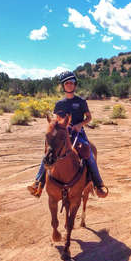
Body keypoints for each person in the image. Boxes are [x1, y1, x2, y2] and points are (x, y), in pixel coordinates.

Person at [27, 70, 108, 198]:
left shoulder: (81, 101)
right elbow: (55, 120)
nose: (69, 85)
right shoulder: (59, 103)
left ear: (75, 85)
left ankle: (98, 184)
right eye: (67, 83)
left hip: (78, 133)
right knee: (49, 153)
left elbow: (89, 118)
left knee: (89, 153)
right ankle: (38, 183)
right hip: (62, 133)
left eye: (72, 82)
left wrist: (80, 124)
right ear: (63, 86)